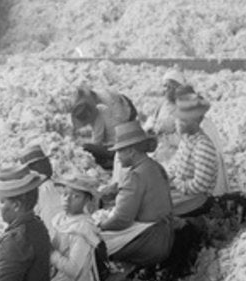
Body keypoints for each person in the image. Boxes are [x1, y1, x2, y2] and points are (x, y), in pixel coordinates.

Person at [96, 121, 173, 268]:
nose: (117, 156)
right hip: (165, 234)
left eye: (120, 151)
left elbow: (122, 219)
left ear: (131, 150)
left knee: (93, 245)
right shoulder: (155, 166)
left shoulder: (135, 175)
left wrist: (100, 226)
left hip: (151, 241)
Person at [49, 173, 103, 281]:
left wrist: (51, 254)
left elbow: (73, 269)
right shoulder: (61, 219)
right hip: (58, 273)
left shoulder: (82, 230)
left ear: (87, 201)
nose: (67, 199)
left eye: (76, 196)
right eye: (65, 194)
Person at [166, 92, 226, 216]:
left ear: (194, 121)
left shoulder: (203, 146)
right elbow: (176, 164)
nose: (176, 123)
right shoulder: (186, 139)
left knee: (157, 209)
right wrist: (167, 177)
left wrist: (177, 183)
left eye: (182, 120)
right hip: (182, 190)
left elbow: (200, 186)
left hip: (195, 198)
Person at [71, 85, 137, 170]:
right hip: (130, 138)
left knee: (87, 148)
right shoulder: (105, 101)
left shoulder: (100, 113)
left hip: (118, 147)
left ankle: (110, 164)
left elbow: (97, 139)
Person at [18, 143, 63, 234]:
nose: (48, 164)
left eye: (46, 162)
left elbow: (52, 226)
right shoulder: (57, 186)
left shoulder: (44, 191)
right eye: (45, 162)